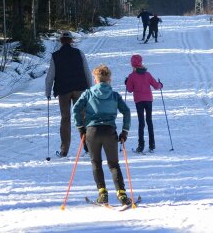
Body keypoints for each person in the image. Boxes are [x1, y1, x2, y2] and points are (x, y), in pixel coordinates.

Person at [72, 64, 132, 206]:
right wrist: (125, 131)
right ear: (109, 79)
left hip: (92, 131)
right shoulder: (114, 95)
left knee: (96, 162)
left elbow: (76, 109)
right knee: (113, 164)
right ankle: (122, 195)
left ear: (95, 79)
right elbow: (127, 112)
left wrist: (80, 127)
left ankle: (102, 193)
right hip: (109, 131)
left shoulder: (88, 93)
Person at [45, 31, 92, 157]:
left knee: (65, 119)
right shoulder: (79, 53)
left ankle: (64, 150)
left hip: (64, 90)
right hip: (79, 88)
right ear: (71, 41)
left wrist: (48, 91)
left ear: (61, 41)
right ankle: (88, 147)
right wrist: (90, 87)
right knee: (81, 118)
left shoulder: (56, 56)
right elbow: (87, 71)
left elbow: (50, 75)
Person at [125, 54, 163, 153]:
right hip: (148, 100)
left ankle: (141, 146)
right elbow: (155, 86)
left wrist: (127, 82)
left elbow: (129, 89)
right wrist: (160, 85)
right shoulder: (147, 74)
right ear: (141, 63)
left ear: (132, 64)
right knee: (149, 121)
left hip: (139, 101)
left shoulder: (131, 76)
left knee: (141, 122)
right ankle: (152, 145)